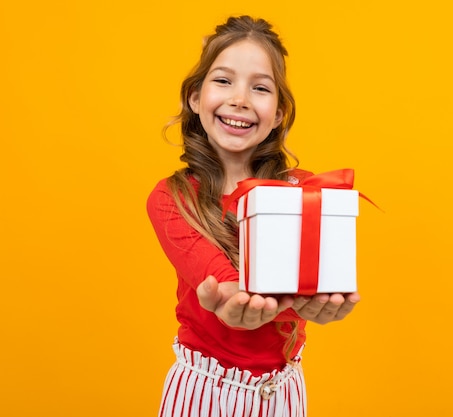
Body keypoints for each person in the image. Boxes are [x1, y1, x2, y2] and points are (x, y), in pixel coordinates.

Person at [146, 15, 360, 417]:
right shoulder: (173, 197)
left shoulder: (305, 194)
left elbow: (314, 278)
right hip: (203, 391)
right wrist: (233, 302)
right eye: (223, 81)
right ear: (195, 97)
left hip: (282, 392)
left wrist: (317, 299)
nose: (240, 99)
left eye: (260, 88)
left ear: (278, 112)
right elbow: (222, 283)